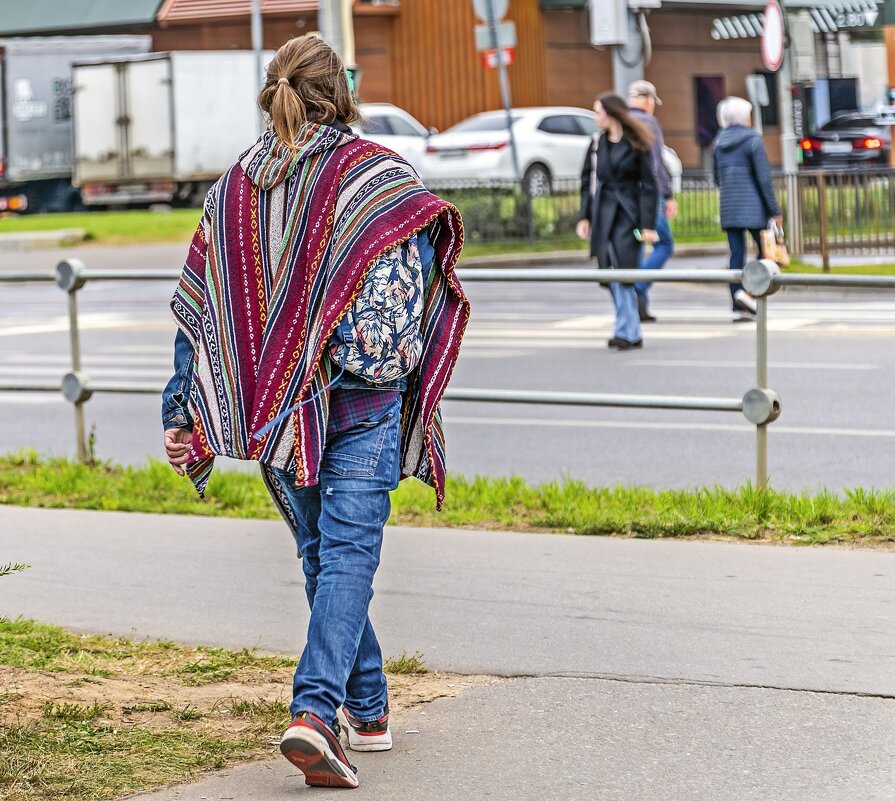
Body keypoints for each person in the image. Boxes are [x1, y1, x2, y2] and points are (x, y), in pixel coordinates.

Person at [161, 35, 469, 790]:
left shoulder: (234, 185)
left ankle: (366, 705)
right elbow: (398, 310)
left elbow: (200, 304)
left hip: (273, 407)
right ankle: (315, 711)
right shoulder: (376, 178)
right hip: (359, 400)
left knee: (320, 557)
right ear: (344, 92)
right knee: (346, 557)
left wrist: (183, 406)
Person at [577, 92, 658, 350]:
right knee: (610, 273)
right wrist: (584, 216)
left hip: (628, 215)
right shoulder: (597, 144)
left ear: (611, 114)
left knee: (623, 272)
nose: (595, 117)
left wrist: (647, 224)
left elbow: (649, 185)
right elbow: (587, 182)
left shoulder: (638, 142)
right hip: (603, 213)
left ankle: (625, 330)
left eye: (598, 112)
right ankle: (631, 330)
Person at [713, 95, 783, 320]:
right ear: (744, 117)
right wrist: (774, 210)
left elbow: (716, 178)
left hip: (730, 205)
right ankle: (751, 293)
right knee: (764, 252)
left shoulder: (719, 143)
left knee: (736, 254)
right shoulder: (753, 141)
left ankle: (737, 298)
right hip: (754, 206)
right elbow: (764, 178)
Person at [627, 80, 676, 323]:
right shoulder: (648, 122)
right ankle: (638, 287)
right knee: (664, 244)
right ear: (647, 100)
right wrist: (667, 195)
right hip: (649, 193)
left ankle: (640, 307)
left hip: (626, 195)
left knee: (637, 244)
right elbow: (656, 163)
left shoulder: (621, 121)